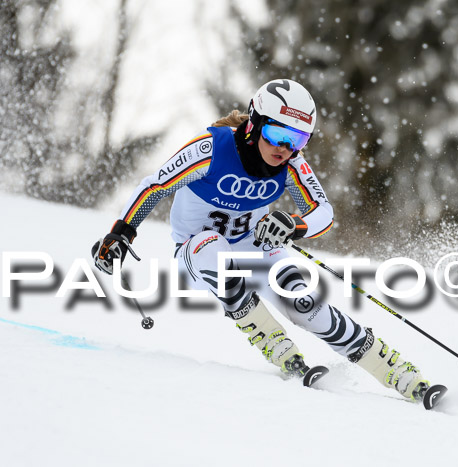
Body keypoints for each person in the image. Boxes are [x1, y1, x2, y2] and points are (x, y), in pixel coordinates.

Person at [92, 79, 431, 401]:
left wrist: (293, 225)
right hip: (196, 253)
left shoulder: (291, 166)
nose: (285, 149)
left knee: (304, 305)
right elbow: (155, 186)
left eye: (297, 139)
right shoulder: (212, 149)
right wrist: (121, 234)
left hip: (254, 248)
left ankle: (395, 370)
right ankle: (273, 340)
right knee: (214, 250)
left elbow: (323, 212)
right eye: (277, 133)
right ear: (254, 123)